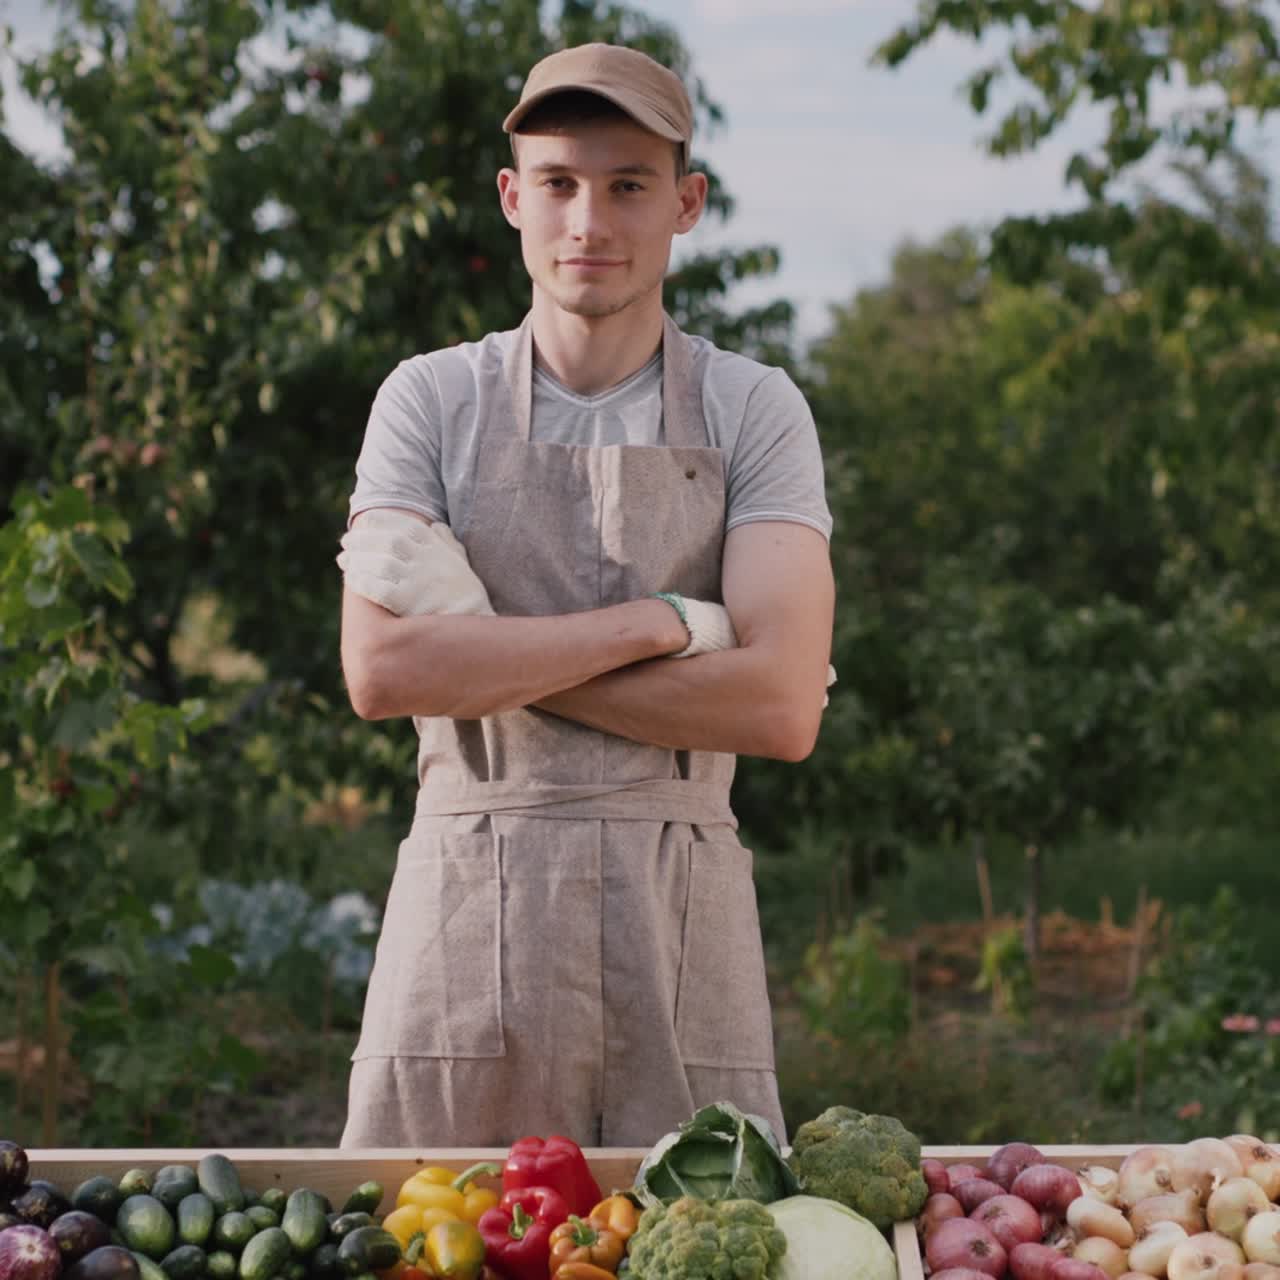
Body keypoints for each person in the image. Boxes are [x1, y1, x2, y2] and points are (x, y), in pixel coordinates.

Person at [335, 42, 835, 1149]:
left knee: (696, 1229)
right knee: (424, 1226)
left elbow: (778, 707)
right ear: (512, 197)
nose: (589, 222)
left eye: (628, 185)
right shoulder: (430, 400)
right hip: (467, 912)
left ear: (686, 203)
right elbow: (382, 671)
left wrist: (483, 652)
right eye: (558, 182)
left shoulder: (754, 409)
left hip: (680, 924)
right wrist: (661, 625)